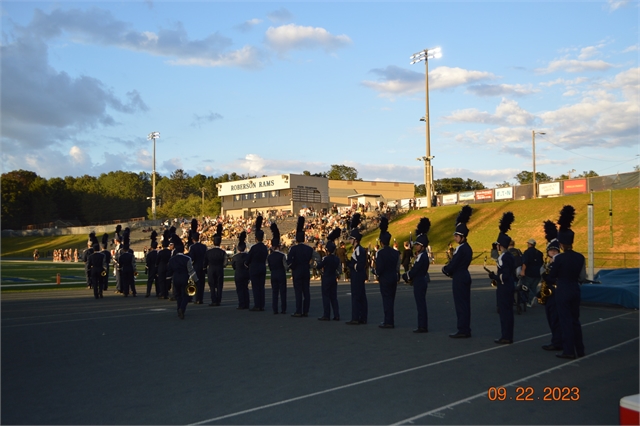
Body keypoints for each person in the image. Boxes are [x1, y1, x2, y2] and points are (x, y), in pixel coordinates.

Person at [548, 205, 586, 360]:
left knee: (565, 321)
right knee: (575, 320)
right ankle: (580, 348)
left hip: (563, 289)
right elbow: (582, 277)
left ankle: (569, 350)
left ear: (562, 244)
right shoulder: (580, 257)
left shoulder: (560, 258)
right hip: (575, 289)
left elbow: (552, 276)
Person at [442, 205, 473, 338]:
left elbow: (454, 264)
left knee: (460, 304)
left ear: (461, 236)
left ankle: (462, 329)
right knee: (465, 304)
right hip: (465, 275)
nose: (455, 238)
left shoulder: (461, 249)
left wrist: (446, 269)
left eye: (456, 236)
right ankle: (465, 327)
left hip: (459, 276)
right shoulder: (468, 248)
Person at [490, 212, 517, 344]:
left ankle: (506, 336)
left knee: (505, 312)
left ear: (501, 245)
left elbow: (504, 275)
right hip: (508, 285)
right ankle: (507, 334)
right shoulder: (509, 256)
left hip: (505, 286)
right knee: (507, 312)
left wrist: (495, 276)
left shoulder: (505, 257)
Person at [402, 218, 431, 333]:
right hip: (420, 280)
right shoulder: (421, 255)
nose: (415, 246)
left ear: (422, 246)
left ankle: (422, 326)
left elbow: (416, 270)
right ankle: (421, 325)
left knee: (421, 305)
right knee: (420, 304)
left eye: (418, 244)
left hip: (419, 281)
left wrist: (407, 275)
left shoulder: (422, 256)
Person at [539, 220, 563, 352]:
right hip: (548, 294)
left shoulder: (557, 262)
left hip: (555, 293)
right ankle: (556, 339)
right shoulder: (547, 263)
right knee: (551, 319)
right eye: (550, 251)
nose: (552, 253)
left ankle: (557, 341)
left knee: (555, 319)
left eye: (554, 251)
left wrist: (548, 278)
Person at [376, 217, 401, 329]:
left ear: (381, 242)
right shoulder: (395, 253)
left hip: (385, 278)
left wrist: (376, 272)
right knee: (392, 299)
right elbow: (397, 266)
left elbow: (379, 268)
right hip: (393, 277)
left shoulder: (381, 253)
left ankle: (388, 321)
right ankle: (390, 320)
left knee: (386, 300)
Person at [166, 235, 198, 320]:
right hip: (185, 278)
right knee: (186, 295)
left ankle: (178, 309)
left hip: (175, 278)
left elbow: (169, 271)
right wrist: (196, 280)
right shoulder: (187, 258)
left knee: (178, 295)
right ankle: (182, 309)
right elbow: (191, 270)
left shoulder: (172, 259)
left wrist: (168, 280)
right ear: (183, 250)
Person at [288, 216, 314, 317]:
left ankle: (298, 310)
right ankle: (306, 310)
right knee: (306, 291)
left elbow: (289, 260)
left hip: (297, 271)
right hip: (306, 270)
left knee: (298, 292)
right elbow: (312, 259)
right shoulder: (309, 249)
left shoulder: (293, 249)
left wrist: (294, 267)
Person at [346, 213, 368, 325]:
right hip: (358, 276)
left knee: (356, 296)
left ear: (355, 240)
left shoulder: (359, 250)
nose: (349, 240)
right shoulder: (357, 250)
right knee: (361, 296)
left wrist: (350, 264)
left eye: (351, 239)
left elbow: (359, 265)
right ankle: (362, 317)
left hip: (357, 276)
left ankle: (356, 317)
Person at [316, 227, 342, 321]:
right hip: (333, 278)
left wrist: (317, 264)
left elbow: (319, 266)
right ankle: (336, 314)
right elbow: (339, 269)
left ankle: (326, 315)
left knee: (326, 297)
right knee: (334, 297)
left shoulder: (326, 258)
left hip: (326, 278)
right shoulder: (336, 259)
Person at [245, 216, 268, 312]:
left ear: (256, 238)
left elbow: (248, 259)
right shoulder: (265, 248)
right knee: (261, 287)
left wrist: (246, 263)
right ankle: (262, 305)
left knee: (255, 287)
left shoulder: (254, 248)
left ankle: (257, 305)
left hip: (254, 268)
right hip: (262, 267)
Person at [267, 223, 288, 314]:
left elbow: (270, 267)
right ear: (278, 246)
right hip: (281, 274)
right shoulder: (282, 255)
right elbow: (285, 266)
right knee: (283, 292)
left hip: (274, 274)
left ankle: (275, 309)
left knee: (274, 293)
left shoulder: (270, 257)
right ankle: (283, 309)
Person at [205, 224, 227, 307]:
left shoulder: (208, 252)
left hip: (211, 269)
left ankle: (213, 300)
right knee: (219, 285)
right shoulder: (222, 252)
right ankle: (219, 300)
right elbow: (225, 263)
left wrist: (205, 267)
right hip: (219, 269)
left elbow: (205, 262)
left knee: (212, 285)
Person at [187, 220, 207, 305]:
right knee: (201, 284)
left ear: (193, 239)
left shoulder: (192, 247)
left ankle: (194, 298)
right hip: (202, 266)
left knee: (193, 283)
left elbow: (192, 258)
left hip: (195, 267)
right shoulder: (204, 246)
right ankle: (200, 299)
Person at [520, 238, 544, 307]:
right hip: (538, 273)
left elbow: (525, 263)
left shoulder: (527, 252)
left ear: (529, 244)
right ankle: (531, 302)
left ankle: (532, 297)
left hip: (529, 272)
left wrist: (522, 271)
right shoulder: (539, 253)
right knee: (533, 287)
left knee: (525, 286)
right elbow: (542, 263)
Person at [232, 231, 251, 309]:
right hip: (246, 274)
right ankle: (247, 303)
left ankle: (241, 304)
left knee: (240, 290)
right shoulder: (248, 256)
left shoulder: (235, 257)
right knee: (245, 289)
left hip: (238, 274)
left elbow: (233, 266)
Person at [87, 234, 106, 299]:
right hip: (100, 269)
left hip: (94, 269)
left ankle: (96, 294)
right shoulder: (102, 255)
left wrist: (89, 270)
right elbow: (104, 263)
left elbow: (88, 265)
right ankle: (100, 293)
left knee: (94, 283)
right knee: (101, 282)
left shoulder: (91, 256)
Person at [155, 229, 172, 299]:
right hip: (168, 267)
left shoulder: (160, 252)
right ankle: (166, 293)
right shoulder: (170, 252)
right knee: (167, 281)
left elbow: (157, 261)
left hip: (161, 267)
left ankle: (162, 293)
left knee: (161, 281)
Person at [145, 231, 159, 297]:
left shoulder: (149, 254)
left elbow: (147, 262)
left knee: (150, 281)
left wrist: (146, 269)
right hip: (157, 268)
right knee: (157, 281)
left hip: (151, 268)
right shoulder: (158, 253)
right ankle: (158, 292)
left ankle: (148, 293)